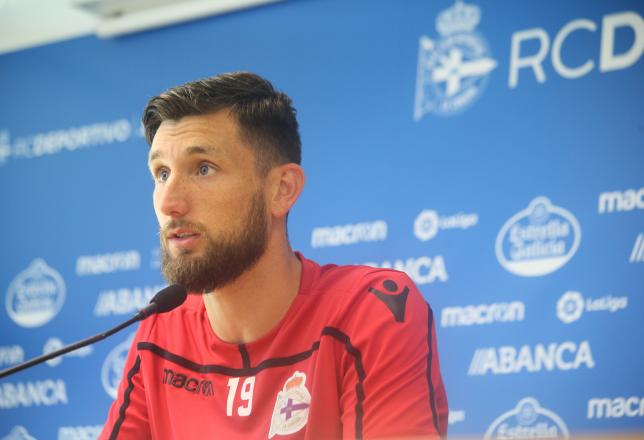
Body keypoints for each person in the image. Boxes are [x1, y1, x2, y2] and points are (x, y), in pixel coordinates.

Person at [100, 72, 448, 439]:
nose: (170, 203)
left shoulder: (371, 310)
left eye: (203, 168)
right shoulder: (160, 331)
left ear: (282, 190)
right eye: (161, 173)